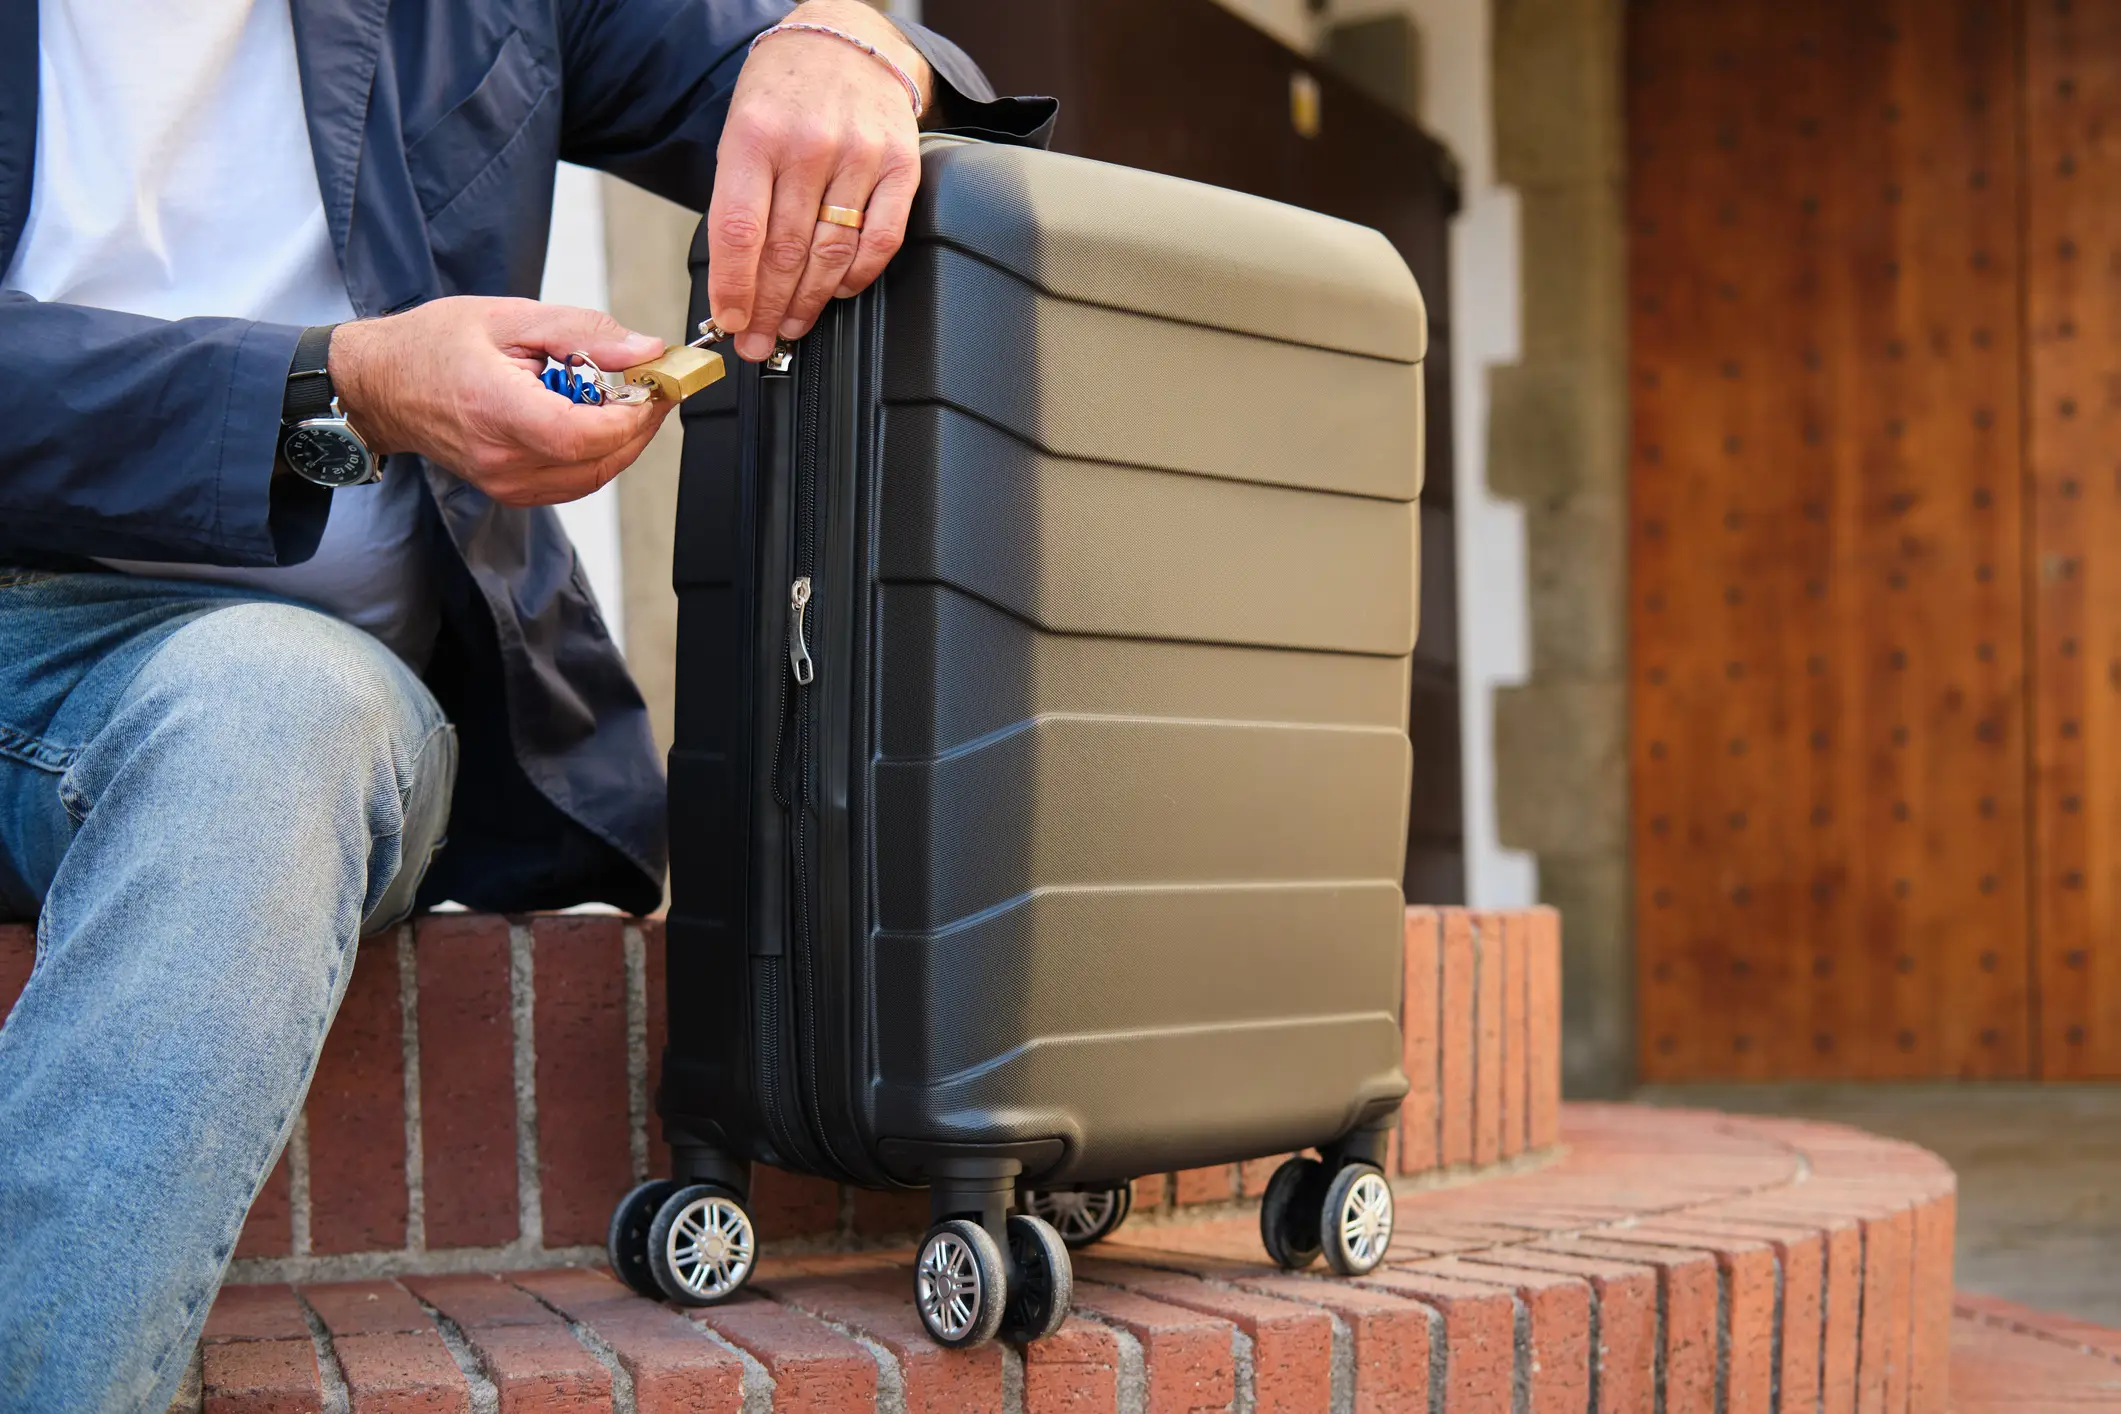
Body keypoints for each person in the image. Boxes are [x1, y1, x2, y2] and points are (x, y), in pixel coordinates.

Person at [0, 0, 1054, 1407]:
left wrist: (851, 47)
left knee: (272, 717)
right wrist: (344, 385)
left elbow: (782, 77)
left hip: (295, 706)